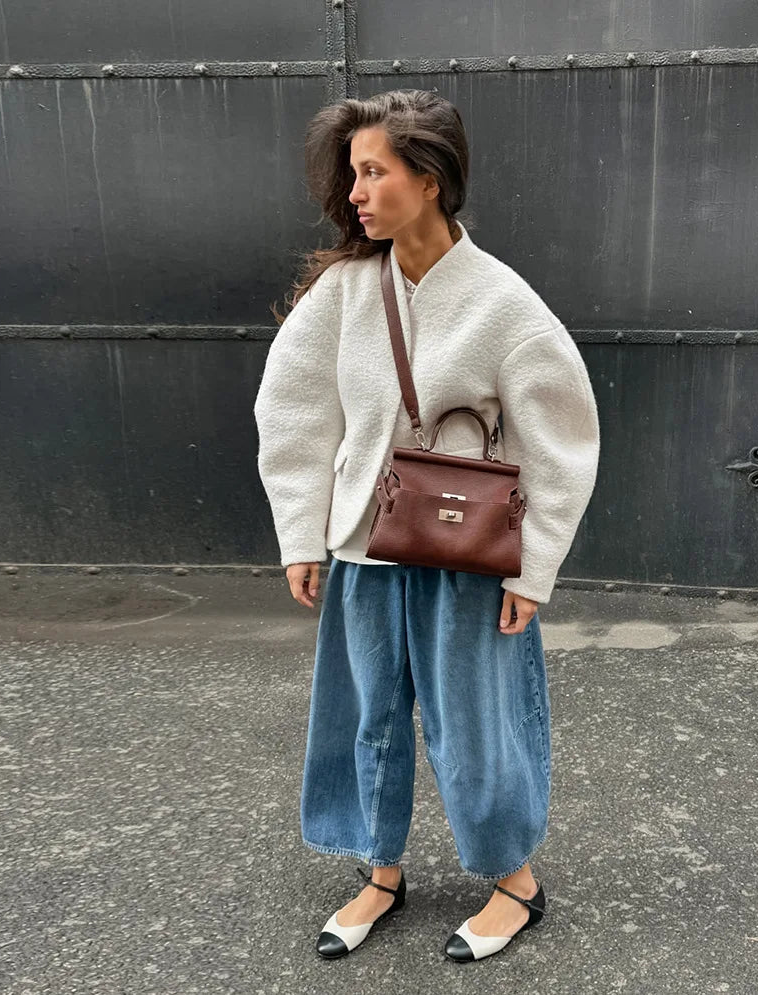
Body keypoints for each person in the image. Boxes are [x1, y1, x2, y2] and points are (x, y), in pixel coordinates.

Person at [253, 88, 599, 963]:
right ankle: (380, 871)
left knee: (477, 723)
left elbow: (558, 440)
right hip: (365, 554)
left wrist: (534, 569)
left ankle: (515, 883)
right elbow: (294, 412)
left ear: (431, 178)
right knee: (365, 714)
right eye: (353, 175)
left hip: (470, 557)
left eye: (374, 171)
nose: (357, 192)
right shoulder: (344, 292)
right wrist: (302, 532)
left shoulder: (504, 303)